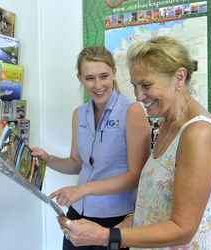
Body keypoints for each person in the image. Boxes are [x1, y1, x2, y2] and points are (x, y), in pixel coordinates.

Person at [59, 36, 211, 250]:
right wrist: (127, 223)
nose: (139, 96)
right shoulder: (167, 125)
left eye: (146, 85)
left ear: (179, 77)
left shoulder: (199, 134)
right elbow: (155, 201)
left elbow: (183, 229)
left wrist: (106, 235)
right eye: (135, 86)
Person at [32, 46, 150, 250]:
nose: (98, 85)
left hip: (114, 219)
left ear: (114, 72)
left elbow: (135, 176)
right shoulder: (79, 114)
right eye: (90, 78)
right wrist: (48, 158)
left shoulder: (133, 111)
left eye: (103, 76)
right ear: (80, 78)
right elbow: (76, 164)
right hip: (77, 215)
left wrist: (83, 189)